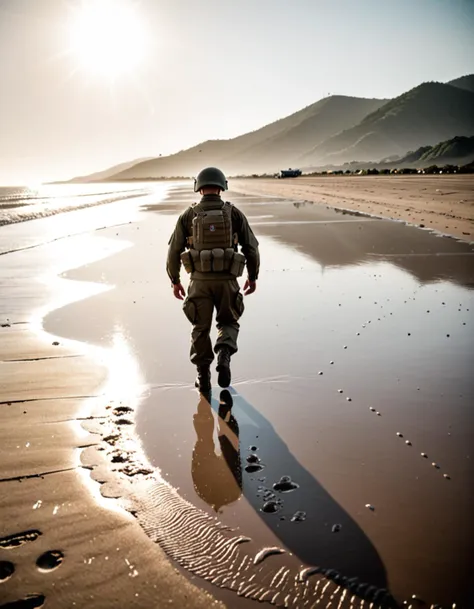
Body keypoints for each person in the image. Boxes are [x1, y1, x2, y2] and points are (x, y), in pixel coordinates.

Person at [166, 167, 260, 392]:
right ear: (222, 186)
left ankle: (203, 376)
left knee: (200, 327)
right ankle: (224, 354)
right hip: (228, 281)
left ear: (198, 188)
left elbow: (173, 250)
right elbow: (251, 247)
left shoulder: (188, 215)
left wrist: (175, 280)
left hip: (199, 282)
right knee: (228, 322)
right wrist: (253, 276)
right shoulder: (233, 213)